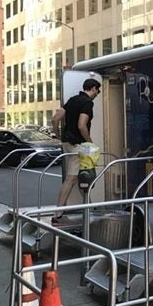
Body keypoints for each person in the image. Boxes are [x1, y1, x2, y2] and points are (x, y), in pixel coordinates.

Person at [51, 78, 101, 222]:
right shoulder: (87, 103)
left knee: (82, 175)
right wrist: (90, 143)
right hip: (77, 145)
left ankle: (89, 206)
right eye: (98, 90)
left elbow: (55, 119)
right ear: (93, 88)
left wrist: (59, 135)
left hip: (67, 142)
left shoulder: (73, 100)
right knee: (72, 178)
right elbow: (81, 125)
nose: (98, 93)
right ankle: (58, 214)